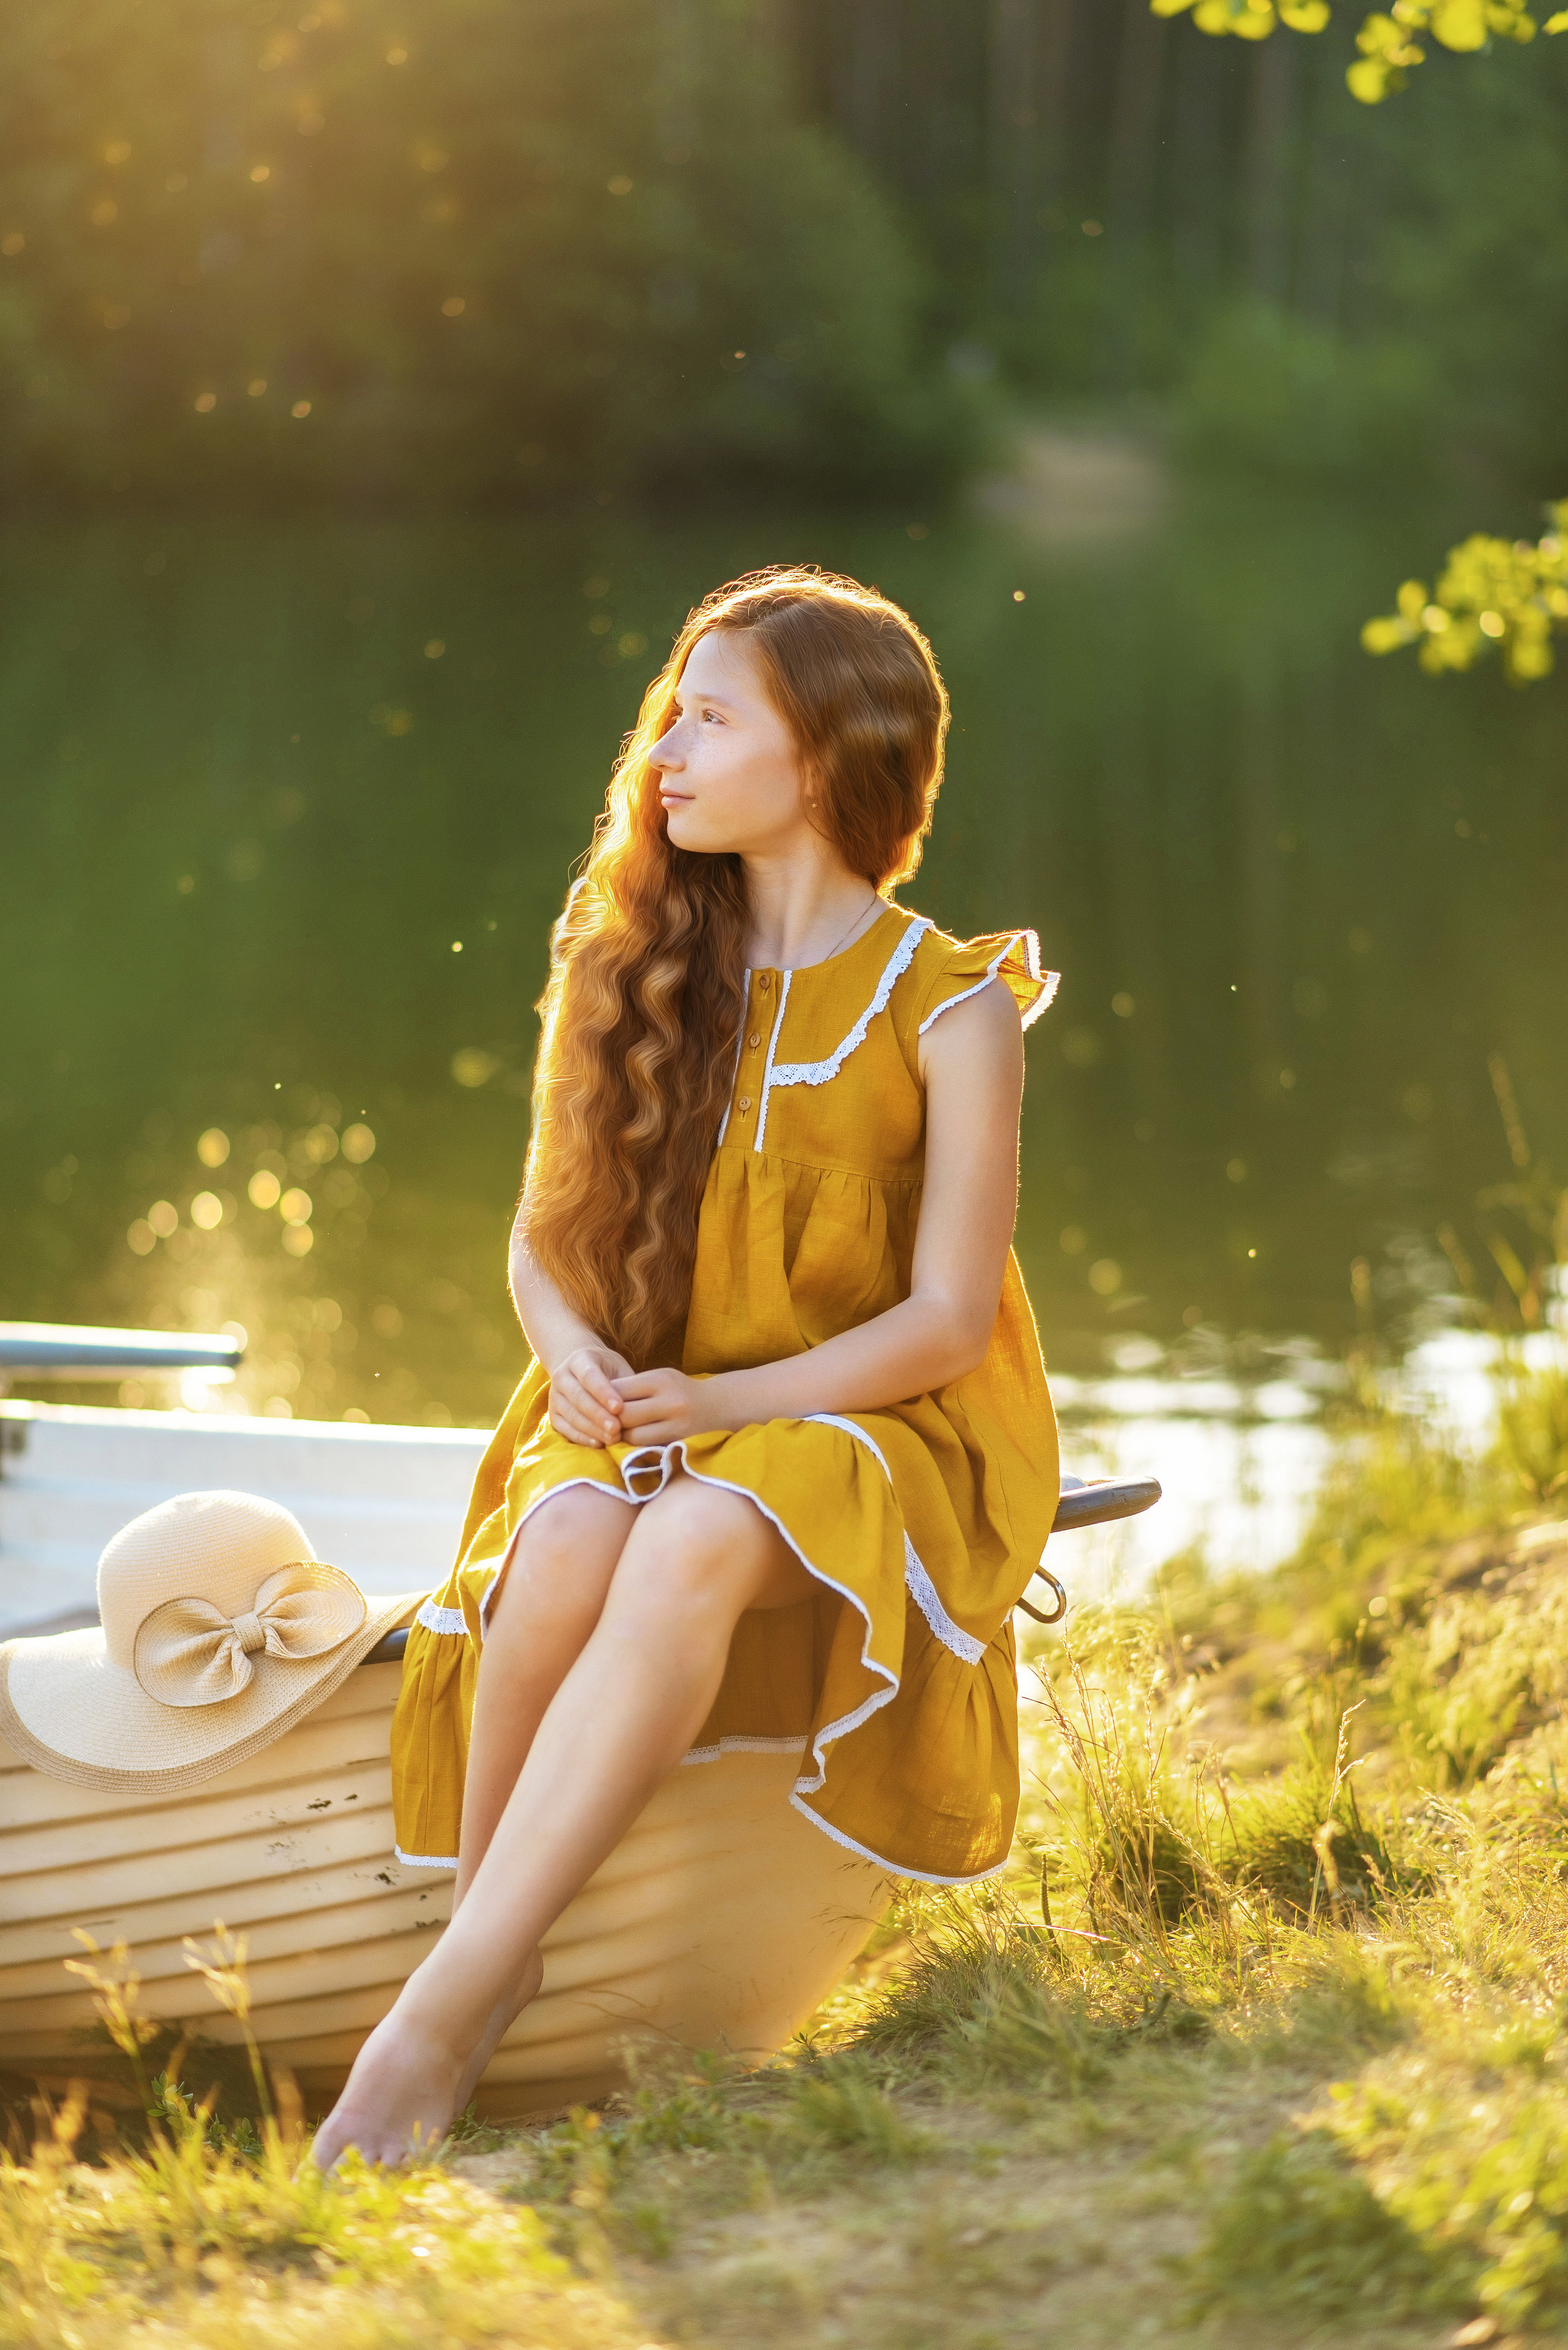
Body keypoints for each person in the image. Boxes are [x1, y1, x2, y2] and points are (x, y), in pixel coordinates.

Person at [312, 565, 1060, 2167]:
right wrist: (573, 1353)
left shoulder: (953, 1007)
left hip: (867, 1415)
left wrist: (724, 1405)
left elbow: (942, 1319)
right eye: (673, 713)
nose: (667, 750)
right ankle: (487, 1944)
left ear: (829, 756)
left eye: (712, 719)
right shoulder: (632, 956)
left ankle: (429, 2021)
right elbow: (540, 1245)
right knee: (573, 1532)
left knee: (702, 1532)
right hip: (642, 1397)